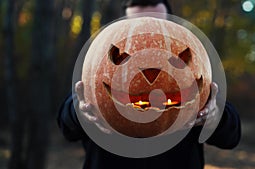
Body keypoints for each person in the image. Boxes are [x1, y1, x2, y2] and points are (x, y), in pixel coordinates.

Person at [57, 0, 241, 169]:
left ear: (172, 24)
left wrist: (215, 116)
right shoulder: (99, 60)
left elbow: (231, 137)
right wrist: (79, 112)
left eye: (156, 25)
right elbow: (67, 120)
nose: (151, 77)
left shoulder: (193, 65)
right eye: (138, 27)